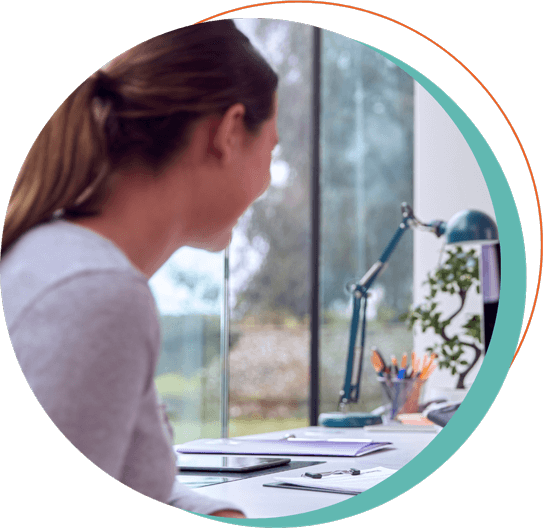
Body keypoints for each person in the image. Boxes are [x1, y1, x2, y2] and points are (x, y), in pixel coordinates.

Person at [0, 20, 279, 518]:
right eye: (271, 150)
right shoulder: (95, 294)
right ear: (230, 132)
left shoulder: (71, 265)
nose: (268, 181)